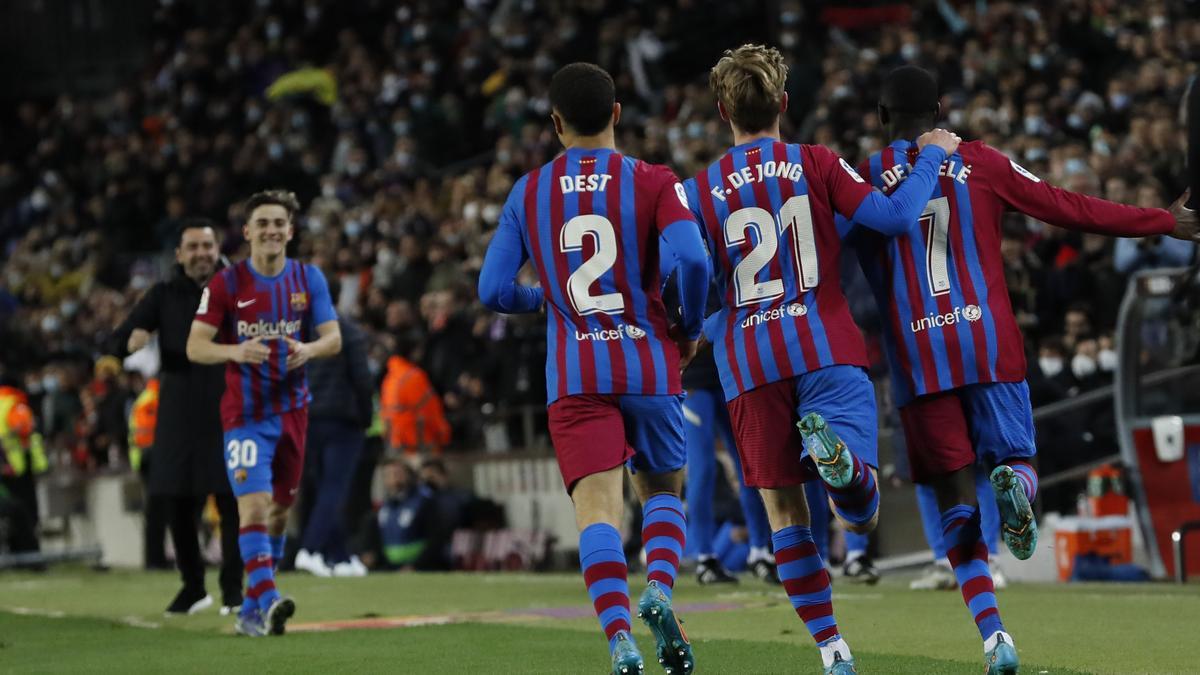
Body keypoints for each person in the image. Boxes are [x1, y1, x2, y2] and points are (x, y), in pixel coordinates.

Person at [848, 65, 1199, 674]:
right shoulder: (981, 162)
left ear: (880, 118)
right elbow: (1067, 207)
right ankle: (1020, 490)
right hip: (987, 344)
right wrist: (1163, 220)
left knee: (956, 504)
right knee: (1014, 462)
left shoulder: (857, 181)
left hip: (917, 360)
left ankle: (995, 639)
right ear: (942, 107)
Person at [683, 44, 959, 675]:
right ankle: (846, 472)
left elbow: (686, 274)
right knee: (857, 514)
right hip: (824, 346)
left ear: (723, 112)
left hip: (748, 363)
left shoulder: (697, 190)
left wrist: (692, 329)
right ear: (784, 103)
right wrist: (933, 158)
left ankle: (833, 649)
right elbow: (891, 218)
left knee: (784, 514)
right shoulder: (817, 161)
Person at [478, 62, 709, 675]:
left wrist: (546, 298)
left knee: (599, 512)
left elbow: (493, 288)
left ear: (554, 123)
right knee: (663, 491)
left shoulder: (527, 193)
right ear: (616, 114)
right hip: (647, 363)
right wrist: (686, 325)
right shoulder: (654, 180)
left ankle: (618, 641)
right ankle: (658, 589)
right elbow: (691, 256)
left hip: (576, 374)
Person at [186, 190, 341, 637]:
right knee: (252, 507)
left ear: (289, 232)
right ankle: (270, 598)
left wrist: (307, 348)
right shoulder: (226, 284)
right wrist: (237, 349)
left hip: (294, 412)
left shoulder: (308, 278)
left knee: (278, 513)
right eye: (264, 223)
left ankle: (251, 613)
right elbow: (195, 346)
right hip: (246, 417)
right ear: (249, 232)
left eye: (280, 224)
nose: (272, 230)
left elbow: (333, 338)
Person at [111, 220, 244, 616]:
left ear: (217, 248)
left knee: (231, 501)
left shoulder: (237, 287)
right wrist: (130, 339)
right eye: (193, 246)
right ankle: (193, 586)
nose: (201, 253)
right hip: (179, 410)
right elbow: (120, 337)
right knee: (177, 502)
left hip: (229, 403)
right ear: (179, 254)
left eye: (207, 245)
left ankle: (233, 589)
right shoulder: (163, 294)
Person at [294, 303, 375, 578]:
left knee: (321, 489)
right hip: (343, 420)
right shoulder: (348, 332)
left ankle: (340, 557)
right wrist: (366, 417)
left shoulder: (302, 332)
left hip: (309, 418)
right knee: (333, 488)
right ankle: (310, 550)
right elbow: (363, 380)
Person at [358, 458, 433, 571]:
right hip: (390, 567)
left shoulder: (423, 501)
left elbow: (435, 537)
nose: (394, 477)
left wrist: (417, 565)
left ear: (408, 475)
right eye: (389, 474)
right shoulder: (386, 506)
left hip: (420, 566)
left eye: (398, 473)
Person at [0, 383, 48, 560]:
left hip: (5, 468)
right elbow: (24, 427)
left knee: (12, 514)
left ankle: (15, 553)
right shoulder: (15, 404)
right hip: (18, 468)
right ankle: (30, 555)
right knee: (25, 513)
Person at [380, 349, 450, 457]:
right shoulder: (414, 377)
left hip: (396, 443)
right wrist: (443, 436)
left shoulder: (389, 379)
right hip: (419, 443)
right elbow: (430, 411)